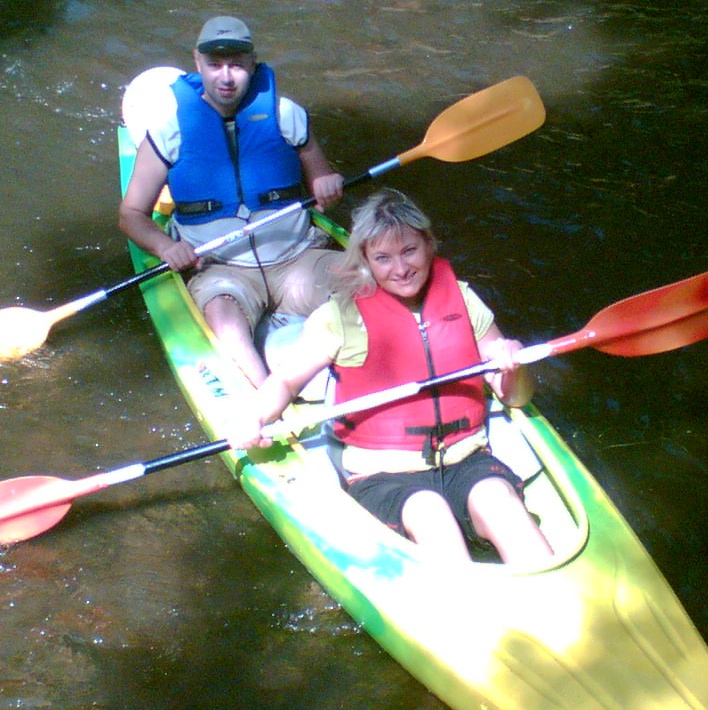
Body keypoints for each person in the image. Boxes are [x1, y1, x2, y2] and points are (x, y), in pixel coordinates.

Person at [230, 189, 554, 567]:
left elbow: (514, 398)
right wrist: (253, 419)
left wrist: (514, 366)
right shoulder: (340, 317)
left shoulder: (463, 300)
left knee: (503, 506)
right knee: (432, 514)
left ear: (429, 245)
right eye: (383, 258)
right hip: (385, 475)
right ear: (366, 260)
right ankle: (468, 610)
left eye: (409, 251)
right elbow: (286, 383)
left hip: (467, 459)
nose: (400, 269)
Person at [119, 16, 345, 385]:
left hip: (300, 258)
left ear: (252, 63)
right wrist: (164, 247)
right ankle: (265, 399)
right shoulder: (168, 130)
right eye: (215, 65)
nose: (226, 77)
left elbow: (322, 191)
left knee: (366, 280)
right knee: (225, 319)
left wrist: (328, 187)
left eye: (237, 65)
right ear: (198, 63)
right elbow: (130, 215)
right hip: (222, 268)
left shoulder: (286, 115)